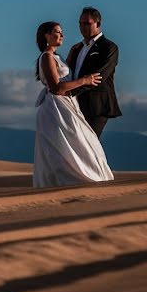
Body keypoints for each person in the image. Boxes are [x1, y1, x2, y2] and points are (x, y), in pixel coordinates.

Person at [33, 21, 114, 188]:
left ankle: (91, 181)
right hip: (55, 108)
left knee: (85, 142)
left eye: (62, 32)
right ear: (46, 36)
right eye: (57, 32)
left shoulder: (58, 57)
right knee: (65, 147)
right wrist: (85, 80)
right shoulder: (46, 57)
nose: (62, 35)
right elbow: (56, 88)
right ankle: (71, 185)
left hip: (67, 105)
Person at [65, 7, 122, 138]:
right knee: (76, 145)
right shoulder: (77, 48)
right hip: (75, 105)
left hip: (96, 106)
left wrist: (69, 92)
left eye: (87, 23)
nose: (82, 27)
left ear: (98, 24)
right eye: (80, 23)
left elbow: (98, 77)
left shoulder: (109, 47)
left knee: (88, 146)